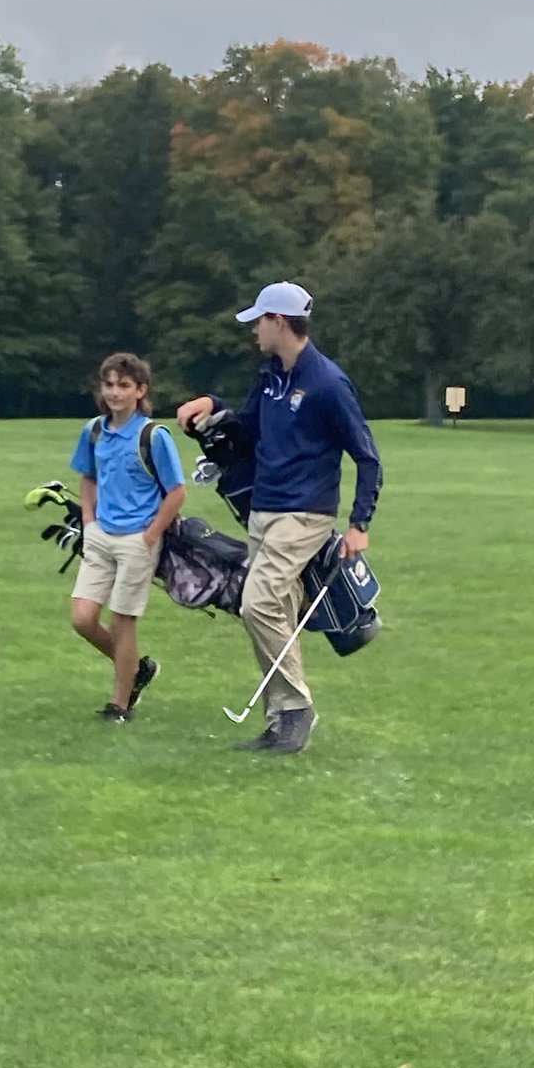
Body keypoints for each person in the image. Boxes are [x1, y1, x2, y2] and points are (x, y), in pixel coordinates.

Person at [176, 281, 382, 754]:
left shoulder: (328, 383)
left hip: (305, 513)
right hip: (263, 508)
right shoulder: (270, 376)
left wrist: (359, 524)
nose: (254, 330)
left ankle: (297, 711)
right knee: (277, 611)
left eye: (259, 321)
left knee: (258, 603)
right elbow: (250, 428)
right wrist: (213, 405)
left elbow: (367, 457)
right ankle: (279, 724)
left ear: (280, 323)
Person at [70, 352, 186, 723]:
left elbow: (177, 492)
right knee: (83, 619)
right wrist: (89, 520)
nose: (115, 392)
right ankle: (136, 669)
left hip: (138, 539)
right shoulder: (94, 430)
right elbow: (87, 477)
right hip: (101, 535)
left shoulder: (153, 435)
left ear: (141, 390)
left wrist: (151, 535)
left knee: (123, 622)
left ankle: (120, 706)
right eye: (109, 385)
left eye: (123, 385)